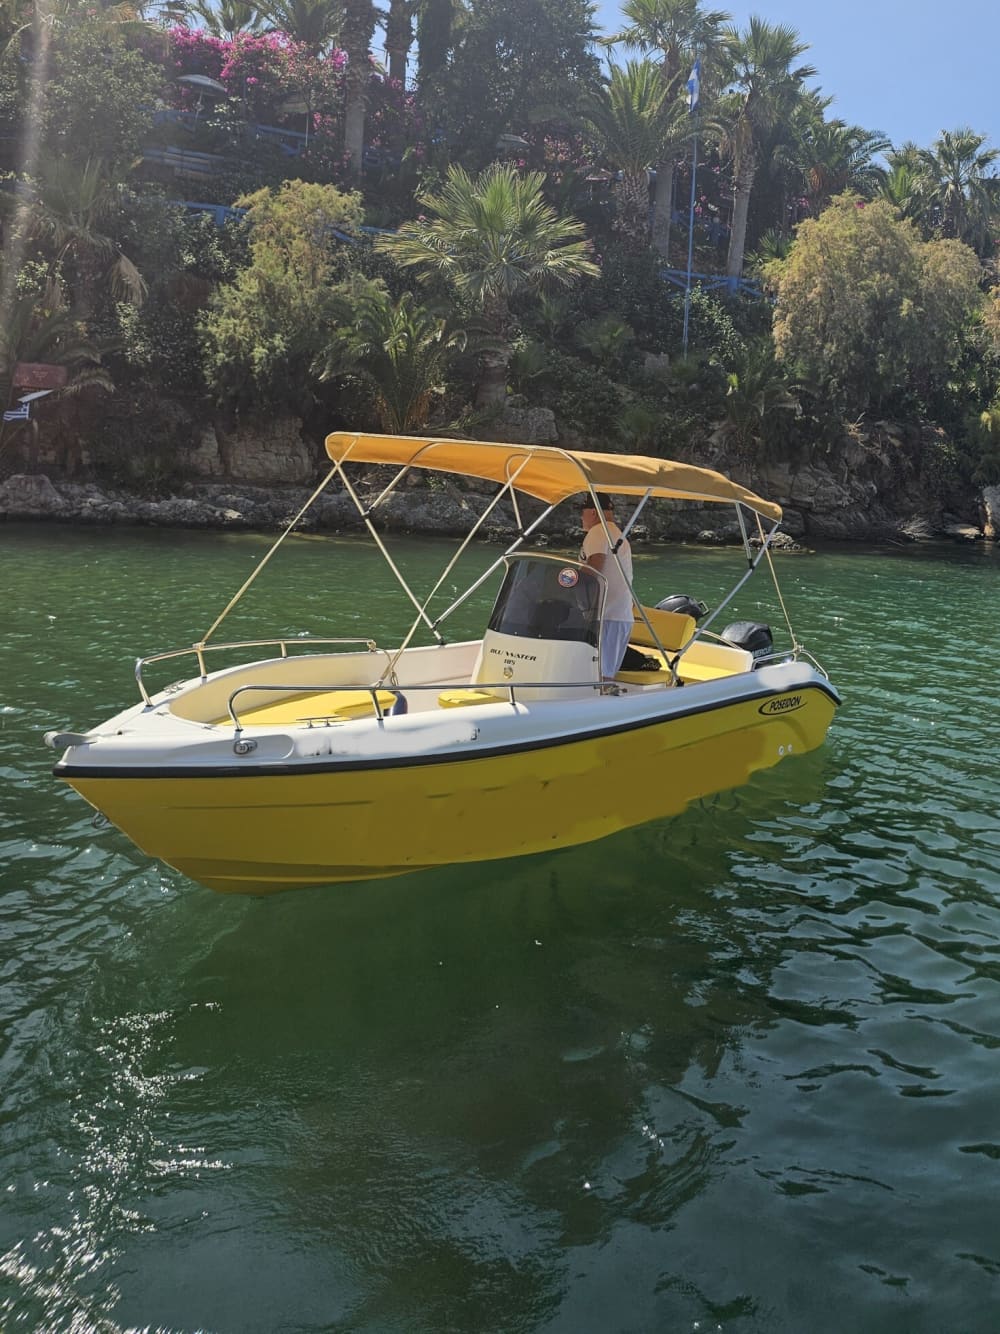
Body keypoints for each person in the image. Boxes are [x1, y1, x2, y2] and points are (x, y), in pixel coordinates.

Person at [579, 492, 634, 681]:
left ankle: (598, 707)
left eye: (582, 512)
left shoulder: (598, 532)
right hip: (618, 615)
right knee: (605, 673)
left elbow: (595, 568)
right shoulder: (615, 533)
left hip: (606, 616)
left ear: (593, 512)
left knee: (600, 677)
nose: (581, 517)